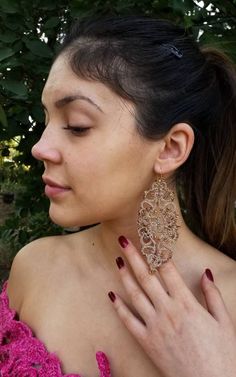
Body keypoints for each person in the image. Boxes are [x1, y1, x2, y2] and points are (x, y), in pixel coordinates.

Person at [1, 15, 236, 377]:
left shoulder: (230, 301)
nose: (40, 148)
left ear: (171, 148)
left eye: (77, 126)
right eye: (46, 120)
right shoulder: (34, 269)